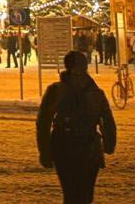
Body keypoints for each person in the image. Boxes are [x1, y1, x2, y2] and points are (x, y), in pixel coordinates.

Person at [36, 51, 116, 204]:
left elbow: (106, 119)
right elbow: (43, 122)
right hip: (68, 148)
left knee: (81, 195)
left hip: (82, 148)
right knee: (75, 193)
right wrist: (45, 151)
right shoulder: (60, 90)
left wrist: (109, 142)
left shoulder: (93, 92)